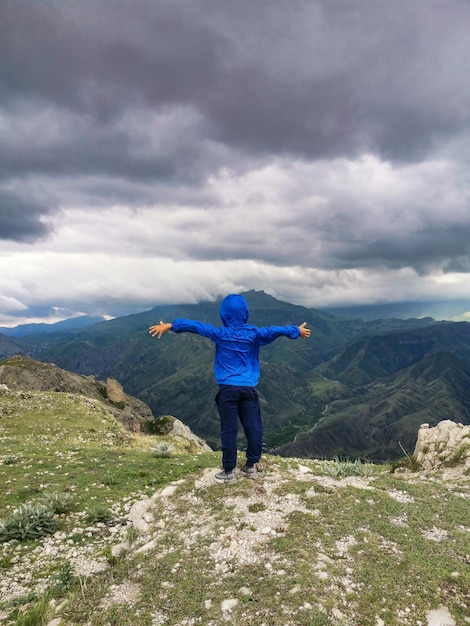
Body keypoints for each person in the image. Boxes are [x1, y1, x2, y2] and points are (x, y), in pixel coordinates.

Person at [149, 293, 310, 483]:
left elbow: (196, 326)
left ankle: (228, 471)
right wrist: (295, 331)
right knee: (253, 426)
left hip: (227, 390)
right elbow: (275, 330)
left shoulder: (220, 333)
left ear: (224, 314)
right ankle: (251, 465)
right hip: (249, 389)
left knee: (229, 429)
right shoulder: (254, 334)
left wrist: (171, 325)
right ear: (245, 314)